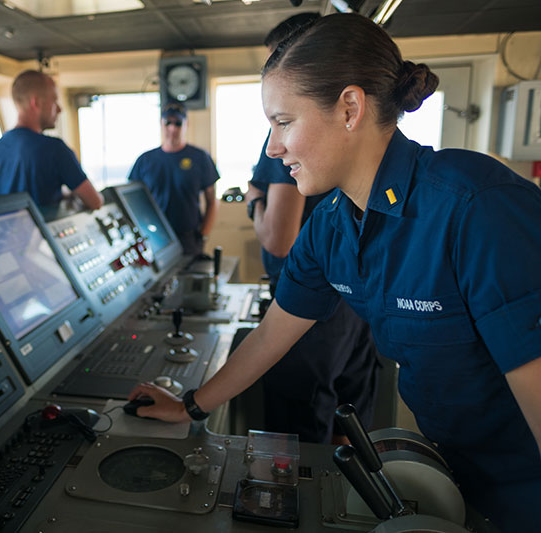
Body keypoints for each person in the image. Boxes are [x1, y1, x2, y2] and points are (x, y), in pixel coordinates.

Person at [130, 13, 541, 531]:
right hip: (453, 475)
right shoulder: (331, 225)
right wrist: (191, 406)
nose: (273, 148)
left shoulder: (477, 208)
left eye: (283, 123)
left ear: (349, 108)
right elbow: (274, 332)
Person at [246, 12, 380, 445]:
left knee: (298, 440)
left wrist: (253, 202)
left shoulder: (294, 142)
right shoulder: (335, 193)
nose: (275, 143)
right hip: (350, 301)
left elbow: (280, 239)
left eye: (276, 63)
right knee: (348, 424)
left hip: (315, 311)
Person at [0, 70, 103, 210]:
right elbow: (95, 202)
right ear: (36, 103)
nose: (59, 109)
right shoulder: (55, 149)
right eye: (54, 100)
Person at [127, 102, 219, 255]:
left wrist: (202, 236)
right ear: (161, 124)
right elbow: (132, 201)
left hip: (188, 238)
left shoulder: (200, 157)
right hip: (154, 238)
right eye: (168, 123)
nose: (172, 128)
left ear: (186, 124)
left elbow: (212, 201)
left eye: (178, 123)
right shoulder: (145, 160)